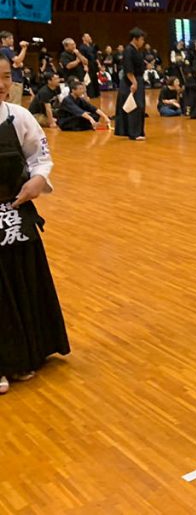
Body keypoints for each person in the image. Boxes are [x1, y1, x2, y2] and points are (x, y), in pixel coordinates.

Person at [0, 52, 71, 395]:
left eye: (5, 78)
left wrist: (38, 180)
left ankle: (27, 354)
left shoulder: (19, 116)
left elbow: (40, 157)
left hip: (16, 214)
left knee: (23, 279)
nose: (1, 86)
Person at [114, 28, 147, 142]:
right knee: (135, 106)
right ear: (135, 39)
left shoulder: (137, 50)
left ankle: (138, 131)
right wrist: (133, 82)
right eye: (141, 39)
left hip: (138, 79)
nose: (143, 42)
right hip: (131, 80)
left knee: (140, 106)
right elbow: (128, 68)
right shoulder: (128, 50)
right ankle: (134, 133)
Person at [0, 32, 28, 105]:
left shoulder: (5, 51)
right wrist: (24, 48)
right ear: (3, 39)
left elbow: (18, 64)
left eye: (12, 38)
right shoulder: (5, 50)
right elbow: (18, 61)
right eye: (10, 38)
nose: (12, 40)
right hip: (14, 80)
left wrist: (19, 62)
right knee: (15, 104)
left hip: (13, 80)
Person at [80, 33, 101, 99]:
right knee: (90, 79)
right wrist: (85, 66)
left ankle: (97, 94)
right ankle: (91, 95)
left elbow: (95, 56)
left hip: (94, 64)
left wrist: (99, 64)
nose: (89, 37)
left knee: (95, 78)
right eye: (88, 36)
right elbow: (82, 57)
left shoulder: (91, 46)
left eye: (89, 36)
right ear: (83, 38)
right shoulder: (82, 47)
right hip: (88, 64)